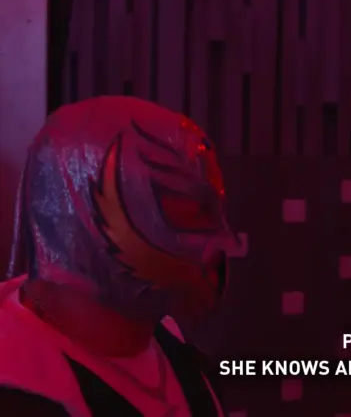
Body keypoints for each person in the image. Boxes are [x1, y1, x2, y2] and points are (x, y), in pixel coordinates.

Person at [1, 96, 236, 416]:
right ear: (82, 215)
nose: (218, 244)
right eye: (182, 213)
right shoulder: (19, 384)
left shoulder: (169, 343)